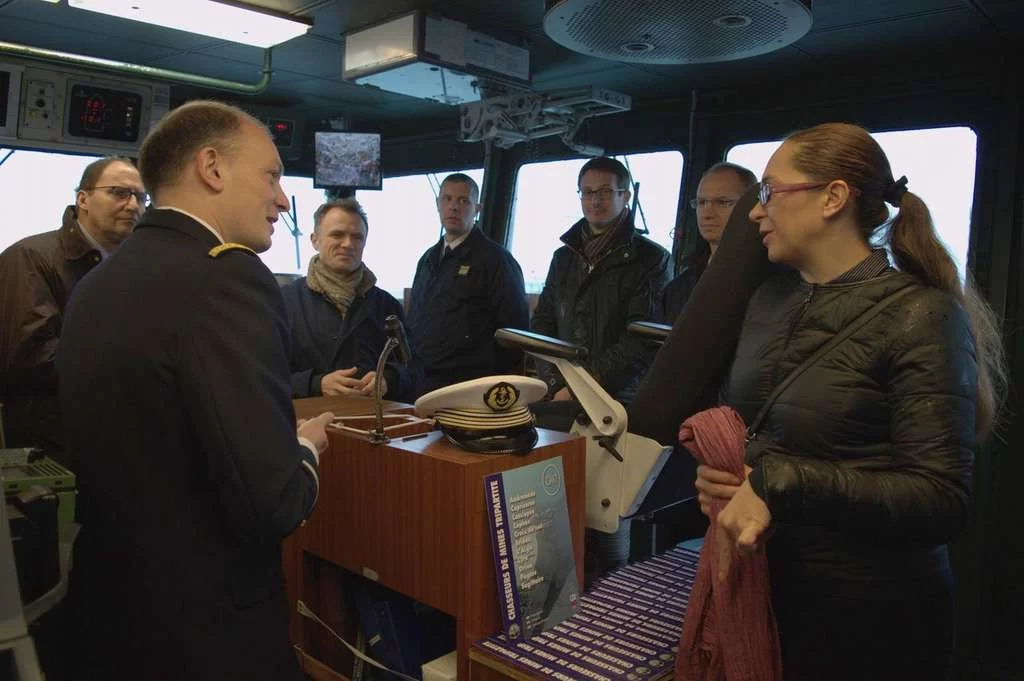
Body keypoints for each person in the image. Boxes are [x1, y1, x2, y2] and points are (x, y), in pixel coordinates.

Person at [698, 122, 1006, 680]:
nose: (754, 213)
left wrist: (775, 482)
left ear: (833, 198)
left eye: (769, 192)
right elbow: (763, 440)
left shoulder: (922, 314)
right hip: (769, 590)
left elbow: (941, 499)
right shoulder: (767, 302)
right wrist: (729, 480)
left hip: (871, 617)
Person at [57, 100, 334, 681]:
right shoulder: (227, 278)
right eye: (273, 174)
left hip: (106, 612)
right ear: (212, 168)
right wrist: (305, 450)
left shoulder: (97, 283)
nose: (283, 199)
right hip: (206, 630)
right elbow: (273, 500)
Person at [530, 156, 669, 582]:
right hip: (560, 400)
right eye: (587, 192)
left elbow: (641, 341)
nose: (595, 200)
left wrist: (583, 386)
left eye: (605, 192)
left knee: (609, 521)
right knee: (559, 512)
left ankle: (612, 607)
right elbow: (543, 325)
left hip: (616, 403)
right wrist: (553, 382)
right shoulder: (563, 258)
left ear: (625, 197)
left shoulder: (651, 260)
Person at [0, 157, 145, 466]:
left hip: (112, 443)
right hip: (48, 450)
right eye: (119, 192)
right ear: (83, 199)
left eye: (141, 197)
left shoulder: (138, 270)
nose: (133, 205)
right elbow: (30, 358)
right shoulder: (30, 258)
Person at [405, 173, 529, 396]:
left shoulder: (496, 260)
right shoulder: (427, 259)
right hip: (422, 381)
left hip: (470, 385)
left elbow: (514, 333)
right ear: (438, 204)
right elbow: (417, 318)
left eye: (464, 201)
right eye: (448, 199)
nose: (454, 207)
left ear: (477, 209)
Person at [281, 197, 411, 401]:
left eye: (357, 237)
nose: (348, 244)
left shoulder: (387, 306)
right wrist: (315, 384)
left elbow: (413, 369)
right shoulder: (284, 302)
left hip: (371, 422)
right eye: (337, 234)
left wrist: (389, 379)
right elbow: (261, 375)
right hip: (306, 425)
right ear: (315, 240)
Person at [660, 161, 757, 323]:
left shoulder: (771, 281)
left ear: (752, 205)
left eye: (722, 202)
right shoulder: (678, 287)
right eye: (701, 202)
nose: (707, 213)